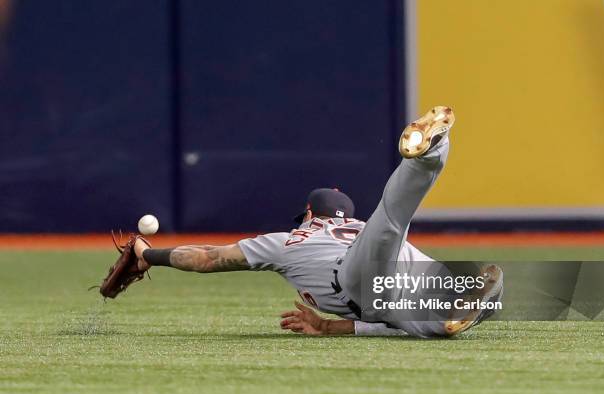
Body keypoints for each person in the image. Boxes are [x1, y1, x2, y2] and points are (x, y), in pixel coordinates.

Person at [133, 106, 503, 338]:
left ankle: (429, 152)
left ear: (310, 215)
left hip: (355, 276)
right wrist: (326, 327)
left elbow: (206, 258)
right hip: (396, 279)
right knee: (427, 317)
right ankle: (467, 294)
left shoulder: (286, 240)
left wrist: (150, 255)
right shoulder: (356, 227)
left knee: (390, 220)